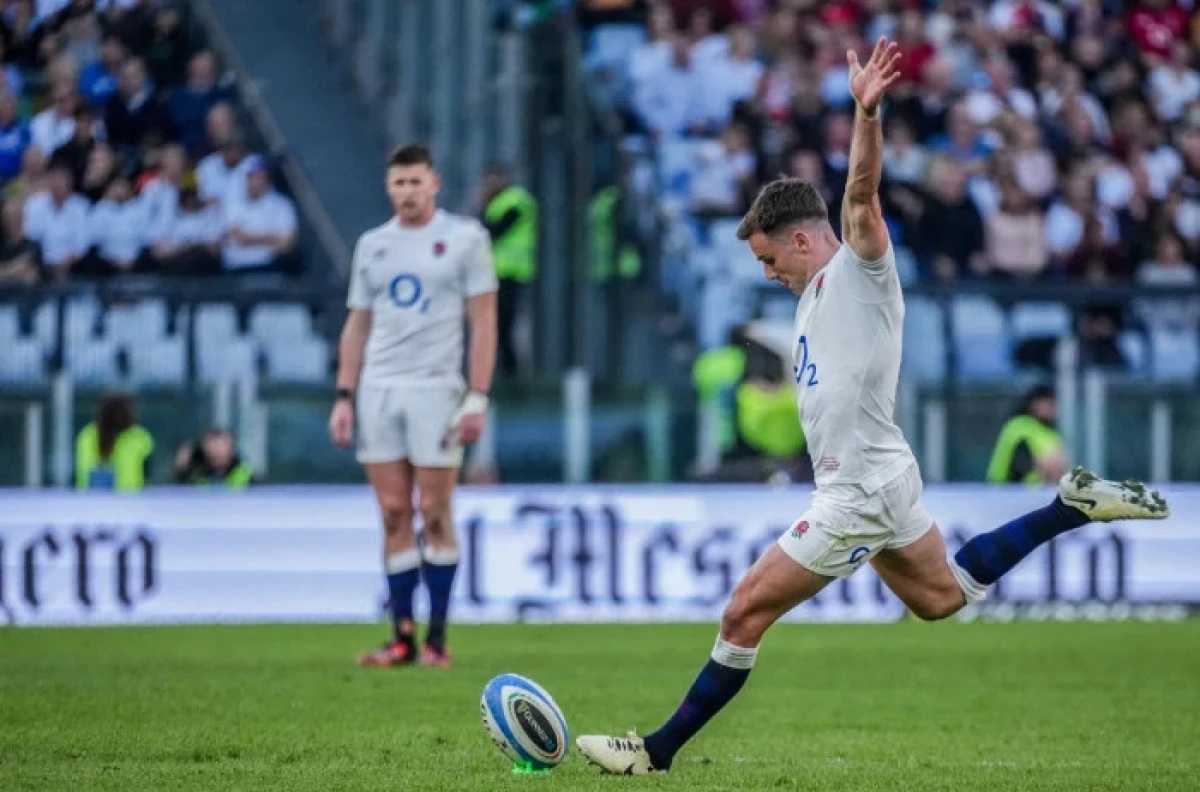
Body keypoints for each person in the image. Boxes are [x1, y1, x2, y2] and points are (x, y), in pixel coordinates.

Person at [575, 38, 1171, 776]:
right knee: (942, 597)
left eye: (769, 258)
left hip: (857, 490)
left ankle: (656, 753)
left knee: (743, 613)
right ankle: (1069, 507)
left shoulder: (860, 271)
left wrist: (867, 110)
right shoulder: (813, 300)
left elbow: (860, 193)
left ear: (800, 240)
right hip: (879, 473)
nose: (768, 273)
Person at [329, 143, 498, 669]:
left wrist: (476, 396)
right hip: (380, 390)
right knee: (394, 512)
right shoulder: (373, 246)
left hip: (436, 390)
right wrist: (344, 395)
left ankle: (439, 641)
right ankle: (401, 637)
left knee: (436, 512)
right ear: (389, 187)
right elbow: (357, 324)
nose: (407, 192)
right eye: (398, 183)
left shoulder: (465, 239)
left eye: (415, 182)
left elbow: (484, 321)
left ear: (434, 183)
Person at [986, 385, 1067, 485]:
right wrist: (1044, 465)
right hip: (1007, 491)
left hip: (1036, 493)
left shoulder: (1050, 432)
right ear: (1035, 404)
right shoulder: (1019, 425)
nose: (1053, 409)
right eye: (1049, 404)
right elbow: (1019, 461)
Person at [75, 390, 154, 491]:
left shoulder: (86, 435)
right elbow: (147, 476)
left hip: (89, 501)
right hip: (130, 501)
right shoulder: (139, 437)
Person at [172, 428, 254, 488]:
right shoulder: (194, 475)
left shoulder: (248, 476)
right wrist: (182, 470)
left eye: (221, 446)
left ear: (231, 449)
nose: (216, 451)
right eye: (212, 446)